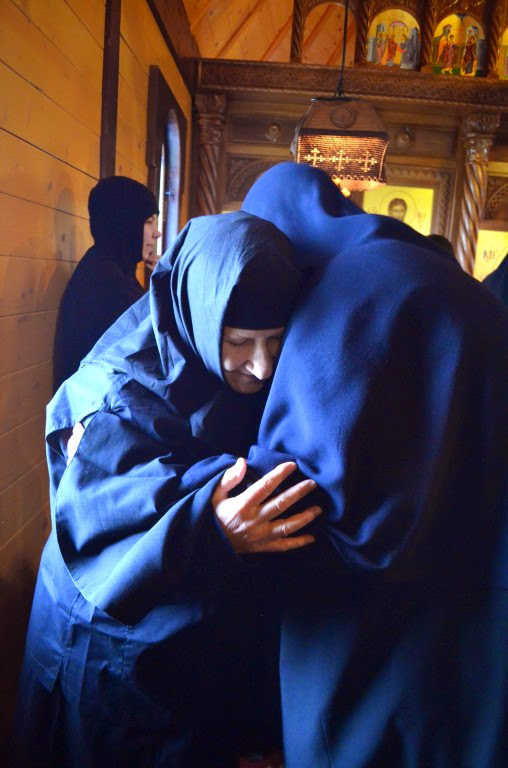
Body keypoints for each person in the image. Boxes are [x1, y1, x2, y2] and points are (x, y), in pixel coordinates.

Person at [12, 211, 320, 767]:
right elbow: (102, 523)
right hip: (103, 646)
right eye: (240, 341)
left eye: (276, 341)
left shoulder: (215, 360)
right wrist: (211, 527)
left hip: (179, 648)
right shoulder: (114, 393)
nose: (261, 367)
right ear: (200, 314)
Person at [243, 162, 508, 767]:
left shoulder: (339, 291)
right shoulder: (443, 274)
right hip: (479, 573)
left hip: (368, 606)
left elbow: (302, 476)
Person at [53, 175, 161, 390]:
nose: (156, 233)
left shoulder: (104, 266)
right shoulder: (108, 282)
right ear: (125, 224)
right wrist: (169, 279)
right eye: (149, 222)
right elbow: (162, 340)